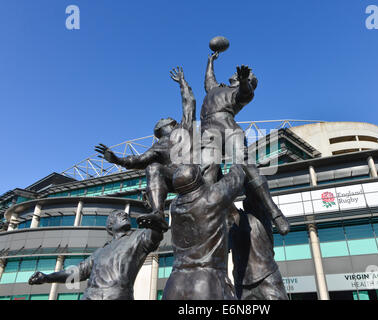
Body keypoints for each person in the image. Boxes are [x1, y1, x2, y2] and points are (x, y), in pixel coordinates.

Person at [200, 52, 290, 236]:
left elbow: (246, 93)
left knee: (244, 163)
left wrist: (243, 82)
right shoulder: (214, 89)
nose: (235, 73)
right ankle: (211, 220)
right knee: (206, 174)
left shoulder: (239, 92)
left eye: (246, 77)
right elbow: (209, 79)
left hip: (227, 126)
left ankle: (274, 212)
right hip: (208, 131)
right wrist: (210, 62)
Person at [95, 67, 196, 231]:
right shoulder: (157, 146)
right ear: (162, 127)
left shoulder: (185, 129)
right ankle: (158, 213)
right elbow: (138, 160)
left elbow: (189, 103)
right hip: (175, 179)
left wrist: (182, 83)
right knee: (153, 168)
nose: (171, 118)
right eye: (166, 118)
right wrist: (116, 160)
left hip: (192, 173)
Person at [28, 209, 163, 300]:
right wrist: (47, 277)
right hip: (90, 296)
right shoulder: (99, 253)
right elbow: (76, 272)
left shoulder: (137, 237)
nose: (123, 214)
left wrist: (156, 221)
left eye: (124, 214)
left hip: (116, 296)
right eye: (117, 214)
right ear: (110, 226)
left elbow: (155, 235)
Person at [162, 164, 245, 300]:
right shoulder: (212, 197)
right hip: (206, 281)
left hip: (174, 283)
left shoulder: (174, 205)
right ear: (197, 180)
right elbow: (238, 175)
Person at [229, 190, 288, 300]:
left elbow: (255, 190)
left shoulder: (261, 218)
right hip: (243, 281)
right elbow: (226, 205)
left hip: (266, 276)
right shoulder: (236, 221)